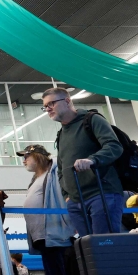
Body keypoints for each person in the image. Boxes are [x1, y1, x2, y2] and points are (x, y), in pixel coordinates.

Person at [18, 144, 88, 275]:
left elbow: (66, 198)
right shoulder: (37, 179)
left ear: (39, 156)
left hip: (58, 233)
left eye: (26, 156)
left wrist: (69, 224)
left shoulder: (55, 173)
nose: (23, 160)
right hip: (42, 236)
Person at [43, 87, 124, 236]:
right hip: (75, 201)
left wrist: (92, 160)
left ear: (67, 101)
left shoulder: (92, 119)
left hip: (101, 193)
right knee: (88, 251)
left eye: (51, 104)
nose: (48, 109)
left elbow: (114, 146)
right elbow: (61, 169)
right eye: (45, 106)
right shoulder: (61, 134)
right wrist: (66, 195)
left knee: (105, 247)